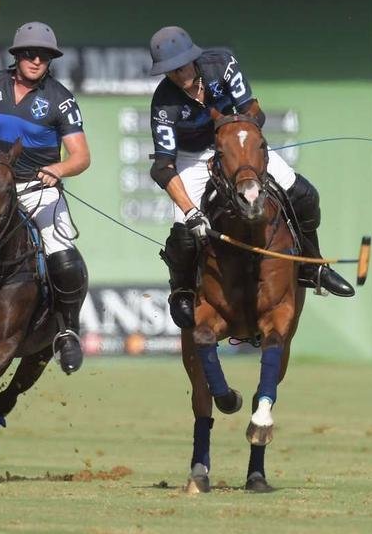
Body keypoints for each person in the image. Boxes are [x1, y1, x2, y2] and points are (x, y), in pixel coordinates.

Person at [146, 25, 354, 328]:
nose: (179, 74)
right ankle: (182, 290)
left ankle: (313, 267)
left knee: (304, 196)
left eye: (182, 66)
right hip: (193, 157)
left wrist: (233, 135)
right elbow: (163, 166)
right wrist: (191, 212)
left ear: (193, 58)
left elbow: (253, 111)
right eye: (171, 71)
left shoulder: (223, 63)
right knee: (183, 231)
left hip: (235, 143)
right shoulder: (164, 104)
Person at [0, 22, 92, 375]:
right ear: (17, 56)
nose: (35, 60)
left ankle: (67, 330)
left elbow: (81, 156)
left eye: (43, 55)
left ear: (50, 61)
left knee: (62, 254)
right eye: (29, 53)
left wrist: (58, 169)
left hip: (38, 189)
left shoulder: (60, 98)